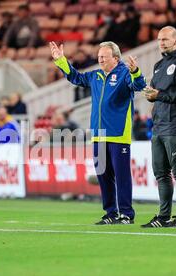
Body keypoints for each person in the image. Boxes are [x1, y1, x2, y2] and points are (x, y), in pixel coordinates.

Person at [50, 40, 146, 225]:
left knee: (122, 175)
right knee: (103, 175)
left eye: (104, 57)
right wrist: (61, 60)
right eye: (99, 56)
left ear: (116, 58)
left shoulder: (125, 73)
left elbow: (139, 86)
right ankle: (111, 213)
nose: (100, 60)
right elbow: (75, 77)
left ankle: (126, 214)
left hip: (118, 134)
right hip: (98, 134)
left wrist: (136, 72)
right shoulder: (96, 76)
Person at [142, 26, 176, 228]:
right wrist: (151, 96)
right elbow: (158, 94)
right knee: (161, 173)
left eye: (165, 39)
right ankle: (163, 216)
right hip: (159, 126)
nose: (161, 43)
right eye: (159, 39)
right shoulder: (158, 65)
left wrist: (159, 95)